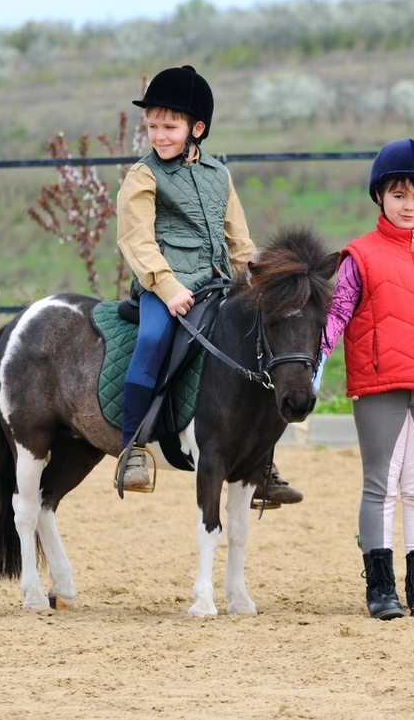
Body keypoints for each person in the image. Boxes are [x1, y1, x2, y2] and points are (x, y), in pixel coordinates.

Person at [115, 64, 303, 506]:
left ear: (196, 128)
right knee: (153, 338)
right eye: (153, 126)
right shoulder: (143, 176)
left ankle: (263, 461)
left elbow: (239, 241)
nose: (159, 135)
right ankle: (132, 448)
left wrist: (261, 280)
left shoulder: (219, 175)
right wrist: (166, 286)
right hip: (168, 288)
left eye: (170, 126)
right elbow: (135, 238)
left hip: (220, 283)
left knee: (260, 344)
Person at [319, 138, 414, 619]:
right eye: (399, 195)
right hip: (379, 384)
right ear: (380, 197)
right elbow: (337, 314)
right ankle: (381, 588)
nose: (409, 206)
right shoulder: (357, 257)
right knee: (380, 484)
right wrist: (314, 363)